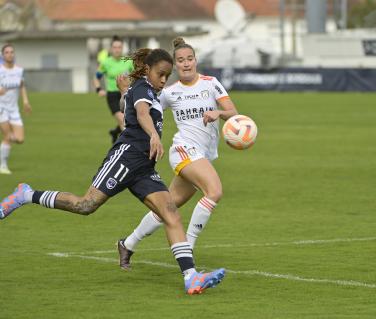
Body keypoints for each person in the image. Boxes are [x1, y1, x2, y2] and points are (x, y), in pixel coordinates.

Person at [0, 47, 225, 295]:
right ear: (148, 70)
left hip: (143, 167)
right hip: (125, 158)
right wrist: (153, 135)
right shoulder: (142, 87)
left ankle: (191, 277)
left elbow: (130, 106)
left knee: (170, 213)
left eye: (167, 75)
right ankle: (25, 194)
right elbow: (141, 113)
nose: (164, 80)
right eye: (161, 74)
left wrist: (124, 93)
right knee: (85, 205)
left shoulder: (144, 89)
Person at [116, 37, 238, 270]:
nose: (186, 64)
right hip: (183, 150)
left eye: (189, 59)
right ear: (175, 65)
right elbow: (137, 107)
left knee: (166, 208)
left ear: (195, 60)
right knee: (214, 191)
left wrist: (218, 113)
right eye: (180, 61)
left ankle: (127, 243)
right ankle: (188, 248)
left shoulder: (211, 83)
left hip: (202, 155)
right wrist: (125, 93)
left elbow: (233, 111)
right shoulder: (169, 93)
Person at [93, 36, 133, 143]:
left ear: (122, 48)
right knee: (123, 120)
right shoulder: (106, 63)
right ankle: (127, 145)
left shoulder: (128, 61)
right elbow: (96, 77)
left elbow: (137, 76)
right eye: (115, 47)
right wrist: (99, 89)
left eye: (119, 47)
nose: (117, 49)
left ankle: (115, 132)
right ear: (111, 49)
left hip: (126, 94)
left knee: (129, 120)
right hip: (113, 96)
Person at [0, 43, 32, 174]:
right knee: (7, 136)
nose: (9, 54)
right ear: (2, 55)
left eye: (11, 52)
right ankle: (3, 166)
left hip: (14, 109)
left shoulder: (19, 70)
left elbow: (22, 86)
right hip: (1, 108)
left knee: (19, 139)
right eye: (6, 52)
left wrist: (25, 101)